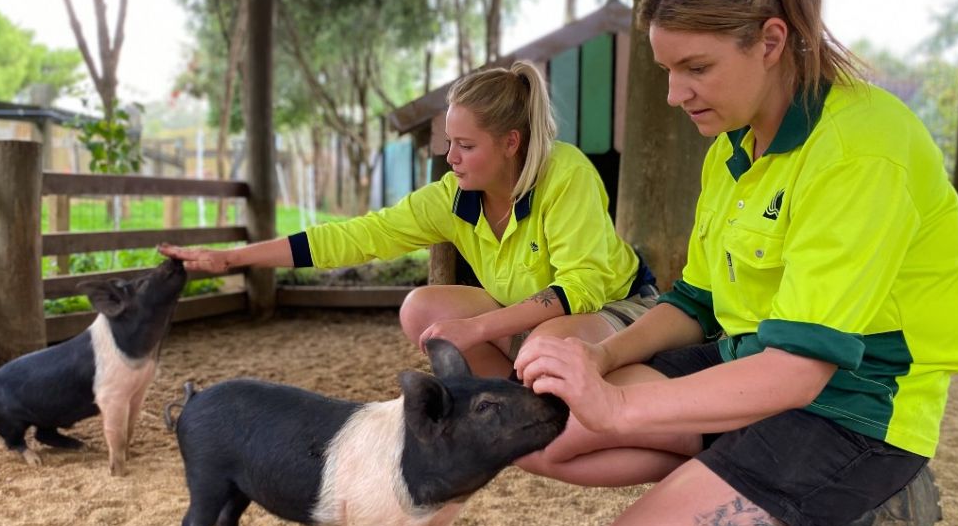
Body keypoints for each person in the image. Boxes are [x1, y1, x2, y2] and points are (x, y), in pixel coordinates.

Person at [514, 0, 958, 526]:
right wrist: (600, 361)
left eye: (694, 68)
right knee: (538, 432)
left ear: (770, 40)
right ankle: (748, 473)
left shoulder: (861, 149)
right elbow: (695, 303)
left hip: (854, 410)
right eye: (667, 70)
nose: (674, 93)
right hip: (752, 370)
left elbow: (798, 374)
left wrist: (620, 408)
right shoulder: (732, 145)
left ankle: (839, 514)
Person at [158, 60, 659, 379]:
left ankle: (539, 385)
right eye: (448, 144)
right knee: (421, 307)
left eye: (466, 146)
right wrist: (233, 257)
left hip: (618, 307)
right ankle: (512, 401)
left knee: (547, 343)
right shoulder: (452, 196)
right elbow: (357, 237)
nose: (452, 157)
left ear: (512, 143)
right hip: (525, 316)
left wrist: (481, 328)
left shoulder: (564, 172)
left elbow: (583, 286)